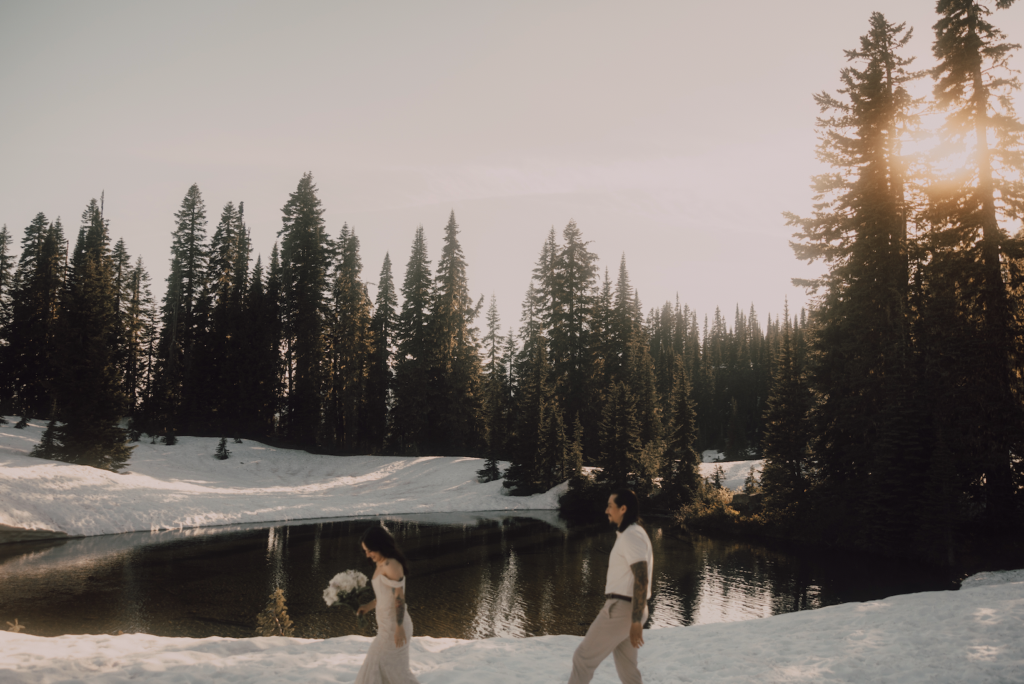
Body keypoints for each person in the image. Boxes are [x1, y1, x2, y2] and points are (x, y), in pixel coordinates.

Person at [568, 489, 654, 684]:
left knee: (583, 658)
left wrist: (635, 621)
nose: (606, 510)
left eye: (610, 506)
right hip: (629, 609)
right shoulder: (630, 533)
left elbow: (641, 577)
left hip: (622, 609)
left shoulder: (632, 535)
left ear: (623, 509)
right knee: (627, 669)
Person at [354, 525, 421, 684]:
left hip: (396, 628)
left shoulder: (391, 565)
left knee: (396, 673)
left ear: (380, 545)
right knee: (377, 665)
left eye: (370, 550)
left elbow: (399, 598)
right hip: (386, 627)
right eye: (365, 551)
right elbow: (384, 596)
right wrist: (368, 606)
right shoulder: (381, 563)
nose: (368, 555)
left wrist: (399, 628)